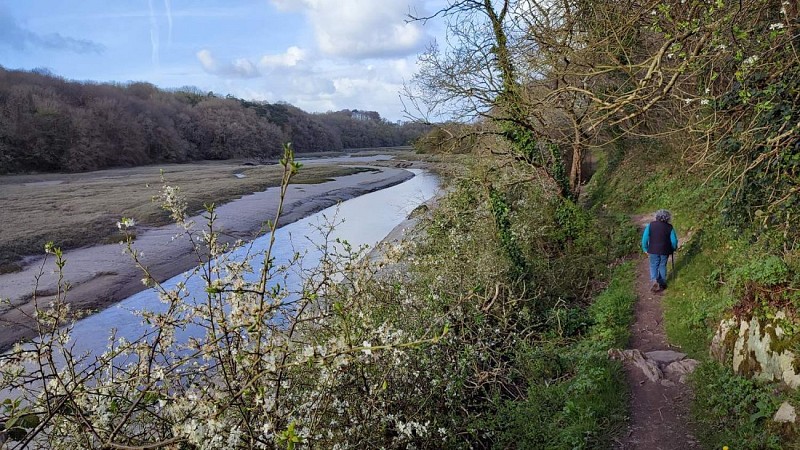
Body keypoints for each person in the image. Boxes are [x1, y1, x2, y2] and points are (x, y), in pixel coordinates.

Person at [641, 209, 678, 292]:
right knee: (662, 265)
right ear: (668, 218)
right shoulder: (669, 227)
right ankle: (662, 282)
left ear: (656, 217)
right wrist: (674, 248)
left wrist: (645, 248)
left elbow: (645, 238)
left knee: (654, 265)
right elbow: (674, 240)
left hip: (653, 249)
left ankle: (654, 280)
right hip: (665, 250)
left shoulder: (651, 225)